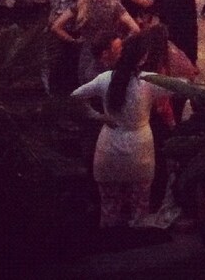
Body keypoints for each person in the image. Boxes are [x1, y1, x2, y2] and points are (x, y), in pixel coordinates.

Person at [71, 31, 170, 228]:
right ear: (142, 58)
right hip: (140, 152)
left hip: (108, 150)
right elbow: (185, 87)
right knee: (139, 213)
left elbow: (73, 97)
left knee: (109, 210)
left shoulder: (105, 78)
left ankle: (108, 249)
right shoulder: (150, 81)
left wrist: (98, 116)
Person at [52, 0, 139, 83]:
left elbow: (56, 26)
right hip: (107, 57)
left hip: (86, 57)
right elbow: (135, 29)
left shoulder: (82, 4)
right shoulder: (114, 6)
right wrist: (119, 44)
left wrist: (73, 41)